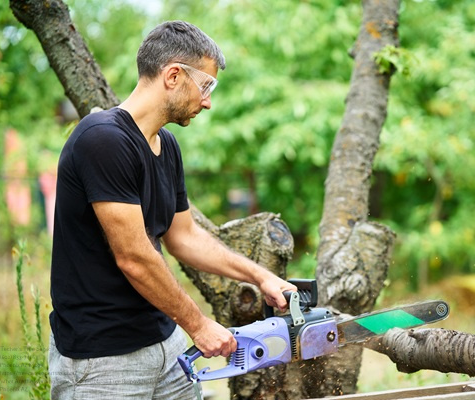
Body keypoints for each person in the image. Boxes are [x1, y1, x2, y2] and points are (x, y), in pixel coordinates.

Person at [48, 20, 297, 399]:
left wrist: (259, 276)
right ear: (174, 75)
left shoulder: (165, 145)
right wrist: (198, 325)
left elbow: (185, 237)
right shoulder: (102, 139)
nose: (209, 101)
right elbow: (133, 257)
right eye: (206, 86)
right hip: (103, 362)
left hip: (165, 345)